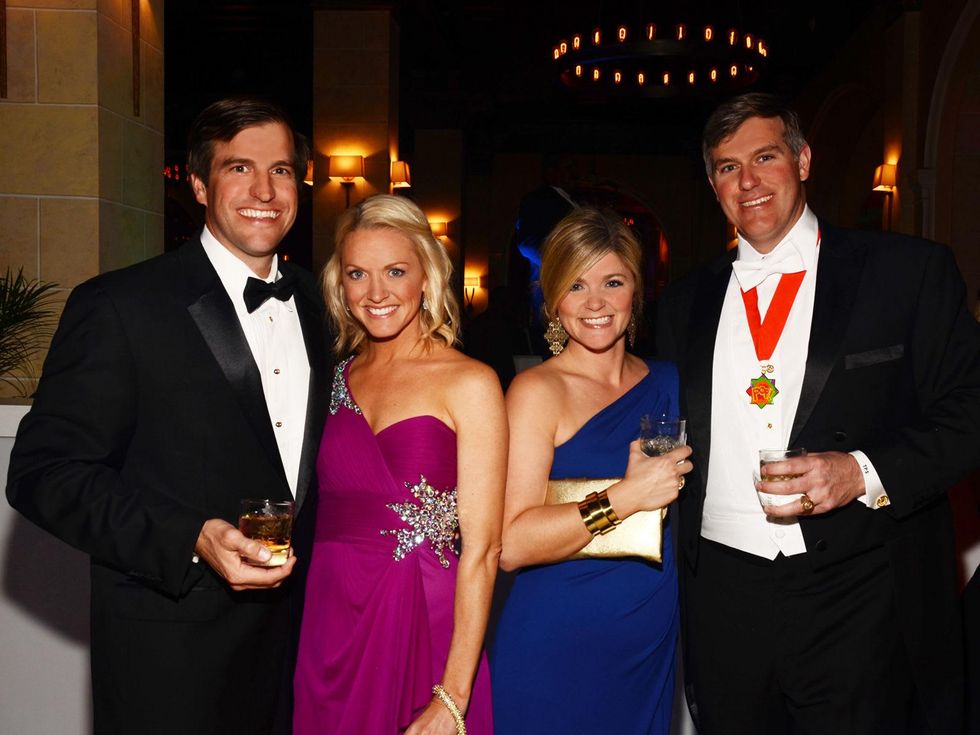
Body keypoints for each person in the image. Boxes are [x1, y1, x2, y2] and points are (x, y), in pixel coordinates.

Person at [656, 92, 980, 734]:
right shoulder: (681, 304)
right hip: (723, 597)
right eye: (726, 167)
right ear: (713, 184)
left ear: (803, 160)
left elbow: (970, 411)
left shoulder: (906, 273)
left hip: (860, 594)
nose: (747, 181)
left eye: (765, 157)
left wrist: (863, 472)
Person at [5, 97, 330, 735]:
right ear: (200, 184)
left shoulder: (321, 305)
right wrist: (190, 536)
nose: (265, 190)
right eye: (241, 169)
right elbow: (43, 473)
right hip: (169, 655)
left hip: (297, 654)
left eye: (283, 171)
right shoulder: (121, 305)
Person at [292, 194, 505, 734]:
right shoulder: (331, 380)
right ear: (340, 285)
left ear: (427, 278)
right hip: (328, 620)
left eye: (395, 271)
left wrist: (452, 697)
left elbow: (483, 550)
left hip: (425, 622)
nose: (377, 293)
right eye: (358, 273)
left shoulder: (471, 382)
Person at [491, 207, 693, 734]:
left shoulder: (671, 381)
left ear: (636, 293)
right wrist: (625, 498)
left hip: (649, 641)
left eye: (613, 282)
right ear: (553, 298)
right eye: (576, 285)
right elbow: (511, 543)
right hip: (557, 641)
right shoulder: (537, 392)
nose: (596, 303)